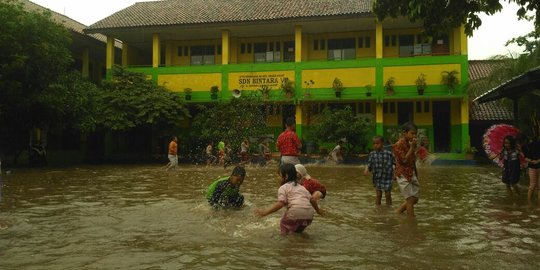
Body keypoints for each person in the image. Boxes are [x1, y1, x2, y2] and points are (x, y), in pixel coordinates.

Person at [255, 163, 323, 235]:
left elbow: (281, 203)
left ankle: (286, 241)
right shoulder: (302, 187)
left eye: (279, 175)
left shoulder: (283, 187)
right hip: (309, 215)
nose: (277, 177)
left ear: (286, 176)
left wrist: (265, 212)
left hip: (295, 213)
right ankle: (301, 242)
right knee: (297, 232)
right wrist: (318, 211)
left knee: (284, 226)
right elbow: (312, 199)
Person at [392, 122, 420, 217]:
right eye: (412, 133)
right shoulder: (398, 145)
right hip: (402, 173)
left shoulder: (411, 143)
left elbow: (413, 160)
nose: (414, 136)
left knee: (415, 199)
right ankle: (411, 222)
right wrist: (412, 148)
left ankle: (398, 212)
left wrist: (416, 173)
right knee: (410, 199)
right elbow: (403, 160)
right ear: (405, 133)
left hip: (411, 173)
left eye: (415, 133)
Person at [364, 135, 395, 206]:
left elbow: (395, 163)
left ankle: (389, 208)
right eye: (374, 143)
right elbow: (369, 164)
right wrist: (366, 169)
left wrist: (395, 174)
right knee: (378, 195)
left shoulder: (388, 153)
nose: (375, 145)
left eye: (377, 143)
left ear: (382, 144)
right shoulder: (372, 154)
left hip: (387, 177)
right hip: (377, 177)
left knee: (388, 195)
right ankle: (377, 209)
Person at [518, 135, 540, 203]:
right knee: (532, 186)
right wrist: (531, 161)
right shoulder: (523, 147)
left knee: (539, 186)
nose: (520, 144)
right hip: (532, 166)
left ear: (525, 140)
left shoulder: (537, 143)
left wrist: (538, 161)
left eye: (521, 143)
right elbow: (525, 158)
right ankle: (529, 203)